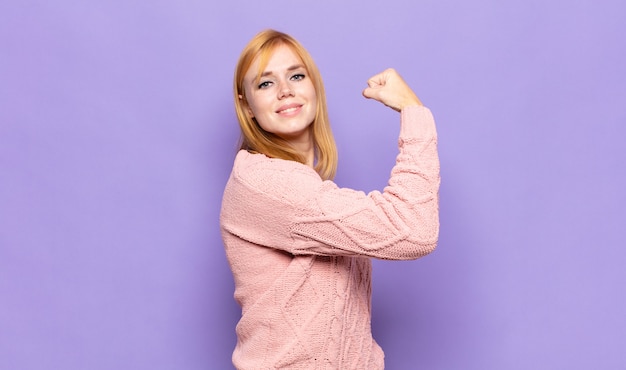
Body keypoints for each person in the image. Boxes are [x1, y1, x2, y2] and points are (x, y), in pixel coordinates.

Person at [220, 29, 440, 369]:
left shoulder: (306, 188)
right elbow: (413, 230)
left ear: (314, 88)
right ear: (246, 105)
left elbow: (340, 325)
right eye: (266, 83)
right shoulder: (266, 183)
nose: (285, 90)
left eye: (296, 75)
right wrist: (415, 112)